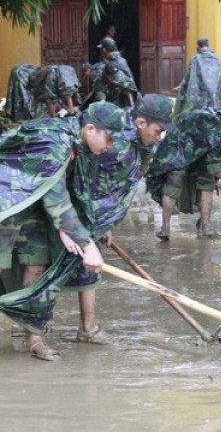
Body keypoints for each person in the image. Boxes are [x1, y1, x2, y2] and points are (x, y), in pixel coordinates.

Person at [0, 101, 127, 367]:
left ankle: (32, 338)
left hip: (33, 203)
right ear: (90, 129)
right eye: (109, 137)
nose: (111, 145)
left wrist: (67, 230)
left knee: (37, 268)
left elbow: (64, 190)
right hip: (4, 202)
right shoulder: (55, 141)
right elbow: (57, 200)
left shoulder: (77, 144)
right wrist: (86, 243)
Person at [61, 94, 174, 344]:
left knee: (90, 270)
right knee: (46, 266)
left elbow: (126, 183)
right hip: (76, 214)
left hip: (99, 219)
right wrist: (68, 223)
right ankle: (27, 329)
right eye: (158, 130)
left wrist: (107, 224)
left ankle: (87, 328)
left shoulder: (145, 143)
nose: (160, 136)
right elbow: (78, 177)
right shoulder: (111, 139)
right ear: (141, 123)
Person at [147, 107, 221, 240]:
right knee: (175, 180)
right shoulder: (215, 130)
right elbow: (216, 170)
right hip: (180, 146)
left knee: (208, 182)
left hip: (202, 147)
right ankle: (165, 228)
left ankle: (205, 228)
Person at [173, 37, 221, 117]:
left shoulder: (196, 59)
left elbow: (190, 76)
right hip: (217, 95)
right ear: (208, 46)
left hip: (202, 96)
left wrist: (181, 86)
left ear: (198, 47)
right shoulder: (216, 59)